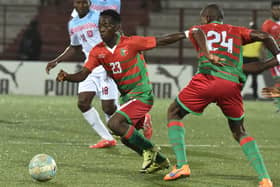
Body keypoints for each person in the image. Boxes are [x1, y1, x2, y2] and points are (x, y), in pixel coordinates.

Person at [54, 9, 218, 173]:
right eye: (100, 25)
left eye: (106, 25)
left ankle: (152, 150)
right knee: (125, 137)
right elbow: (83, 74)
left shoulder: (131, 43)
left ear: (117, 27)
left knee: (115, 123)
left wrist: (186, 33)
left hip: (142, 95)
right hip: (127, 98)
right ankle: (159, 161)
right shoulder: (98, 51)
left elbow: (161, 40)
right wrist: (67, 77)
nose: (102, 29)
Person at [163, 4, 279, 187]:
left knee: (174, 112)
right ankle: (265, 178)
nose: (201, 21)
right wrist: (278, 57)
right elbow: (265, 37)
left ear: (207, 17)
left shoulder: (201, 28)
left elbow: (198, 33)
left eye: (202, 18)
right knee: (239, 130)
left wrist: (208, 54)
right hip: (231, 85)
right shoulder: (236, 31)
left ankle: (182, 165)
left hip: (207, 80)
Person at [45, 0, 123, 149]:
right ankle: (107, 138)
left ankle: (140, 120)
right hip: (90, 65)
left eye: (85, 2)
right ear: (74, 4)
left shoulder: (99, 18)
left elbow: (116, 33)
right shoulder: (73, 24)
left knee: (108, 108)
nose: (81, 5)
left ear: (90, 3)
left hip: (106, 64)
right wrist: (56, 60)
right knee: (83, 103)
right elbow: (74, 47)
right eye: (78, 2)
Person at [262, 1, 280, 112]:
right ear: (271, 10)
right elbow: (264, 41)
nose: (277, 11)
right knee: (279, 79)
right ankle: (278, 104)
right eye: (275, 9)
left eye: (279, 9)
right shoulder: (267, 24)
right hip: (274, 56)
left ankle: (276, 100)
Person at [243, 21, 262, 99]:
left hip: (254, 58)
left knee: (254, 78)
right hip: (246, 58)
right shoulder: (244, 37)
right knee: (243, 78)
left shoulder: (260, 38)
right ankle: (237, 94)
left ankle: (255, 96)